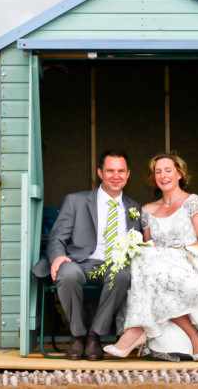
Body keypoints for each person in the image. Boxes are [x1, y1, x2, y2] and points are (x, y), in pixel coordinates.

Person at [104, 153, 198, 361]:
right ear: (153, 177)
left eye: (168, 170)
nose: (163, 176)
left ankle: (136, 330)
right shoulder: (146, 210)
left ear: (180, 174)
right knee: (144, 257)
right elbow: (148, 247)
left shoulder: (193, 202)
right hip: (159, 269)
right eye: (158, 172)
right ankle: (193, 337)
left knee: (149, 262)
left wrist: (173, 251)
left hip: (193, 261)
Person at [32, 150, 143, 361]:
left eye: (121, 171)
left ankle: (94, 336)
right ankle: (78, 335)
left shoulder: (134, 207)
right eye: (110, 170)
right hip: (79, 261)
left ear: (128, 175)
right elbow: (57, 238)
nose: (115, 175)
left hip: (114, 264)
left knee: (121, 274)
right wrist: (57, 257)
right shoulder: (76, 201)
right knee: (68, 274)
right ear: (100, 172)